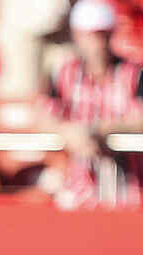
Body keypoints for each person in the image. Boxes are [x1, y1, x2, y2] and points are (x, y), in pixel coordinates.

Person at [37, 0, 143, 209]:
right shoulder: (63, 73)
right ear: (76, 35)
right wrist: (69, 132)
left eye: (101, 35)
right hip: (79, 191)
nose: (96, 44)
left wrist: (101, 129)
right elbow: (43, 117)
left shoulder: (134, 73)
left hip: (129, 190)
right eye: (89, 36)